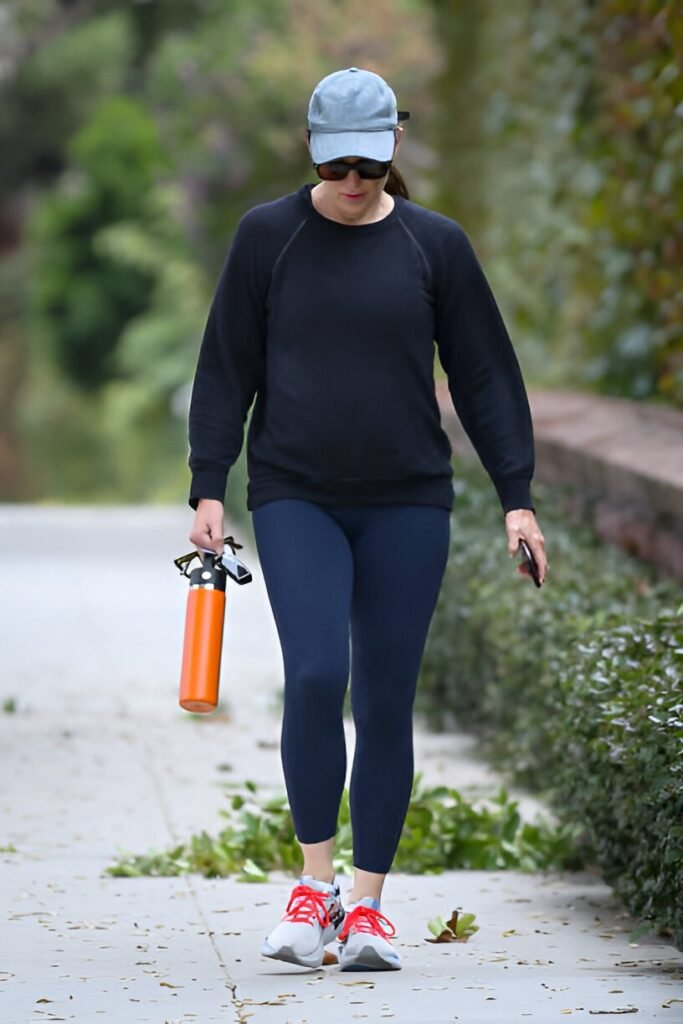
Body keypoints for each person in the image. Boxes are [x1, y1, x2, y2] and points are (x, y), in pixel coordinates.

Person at [187, 66, 547, 972]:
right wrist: (207, 483)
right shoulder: (267, 238)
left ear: (394, 155)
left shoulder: (436, 247)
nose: (354, 181)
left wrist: (517, 498)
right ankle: (312, 892)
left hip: (407, 502)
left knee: (385, 702)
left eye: (372, 167)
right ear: (313, 152)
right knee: (315, 676)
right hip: (295, 493)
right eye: (338, 164)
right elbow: (226, 366)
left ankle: (369, 908)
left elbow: (487, 378)